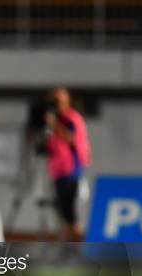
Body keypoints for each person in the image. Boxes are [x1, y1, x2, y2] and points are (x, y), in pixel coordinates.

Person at [44, 87, 91, 241]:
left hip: (71, 170)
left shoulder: (71, 118)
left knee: (71, 212)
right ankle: (70, 244)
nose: (56, 105)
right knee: (64, 211)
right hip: (59, 170)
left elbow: (71, 138)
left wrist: (53, 123)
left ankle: (78, 245)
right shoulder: (57, 121)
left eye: (59, 101)